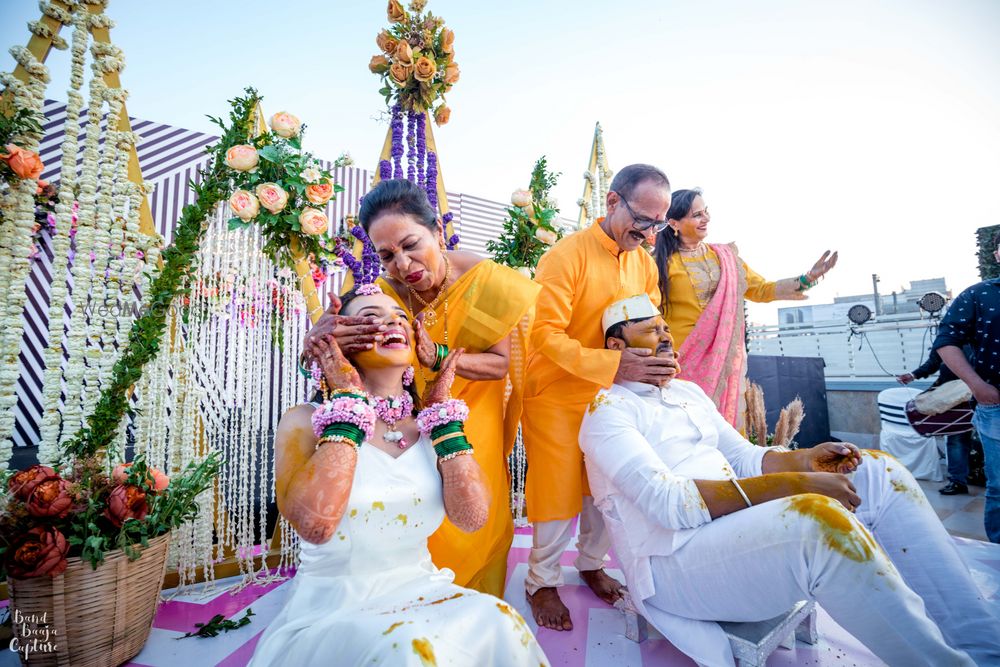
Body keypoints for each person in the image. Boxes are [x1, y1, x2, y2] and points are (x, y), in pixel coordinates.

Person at [578, 294, 1000, 667]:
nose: (666, 336)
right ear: (617, 346)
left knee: (877, 470)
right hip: (673, 567)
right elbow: (669, 504)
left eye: (666, 326)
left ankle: (983, 648)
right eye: (652, 330)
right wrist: (798, 485)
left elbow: (744, 457)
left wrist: (805, 460)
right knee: (816, 522)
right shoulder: (606, 412)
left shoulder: (689, 394)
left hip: (735, 533)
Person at [251, 282, 549, 667]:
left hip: (422, 588)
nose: (391, 323)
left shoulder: (432, 423)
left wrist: (443, 422)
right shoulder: (306, 421)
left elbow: (472, 518)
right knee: (408, 648)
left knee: (501, 620)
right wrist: (349, 402)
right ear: (340, 339)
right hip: (337, 604)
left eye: (399, 317)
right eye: (370, 319)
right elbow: (316, 526)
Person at [302, 179, 540, 597]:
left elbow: (501, 364)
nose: (403, 264)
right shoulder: (386, 292)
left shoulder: (486, 281)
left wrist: (440, 357)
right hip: (405, 416)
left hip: (471, 411)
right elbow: (335, 349)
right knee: (412, 509)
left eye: (412, 244)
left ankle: (469, 609)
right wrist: (321, 338)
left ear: (438, 232)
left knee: (471, 510)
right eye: (387, 255)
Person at [521, 164, 676, 630]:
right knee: (558, 490)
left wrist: (663, 356)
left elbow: (650, 325)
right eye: (643, 220)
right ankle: (541, 581)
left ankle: (591, 564)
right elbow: (544, 335)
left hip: (614, 396)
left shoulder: (644, 264)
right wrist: (614, 364)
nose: (649, 234)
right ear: (612, 202)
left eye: (658, 224)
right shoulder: (565, 257)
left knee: (606, 488)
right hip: (556, 392)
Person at [653, 188, 838, 427]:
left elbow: (761, 289)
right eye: (697, 214)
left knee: (725, 426)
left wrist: (808, 278)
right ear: (674, 223)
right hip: (681, 360)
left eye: (706, 211)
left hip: (724, 358)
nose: (706, 218)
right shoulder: (656, 262)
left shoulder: (726, 257)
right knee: (685, 425)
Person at [934, 233, 1000, 543]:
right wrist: (978, 386)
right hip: (995, 404)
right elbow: (946, 343)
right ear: (997, 254)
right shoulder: (979, 295)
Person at [897, 344, 981, 495]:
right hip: (953, 399)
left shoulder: (984, 329)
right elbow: (933, 362)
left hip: (986, 393)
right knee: (957, 441)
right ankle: (958, 482)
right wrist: (913, 375)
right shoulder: (948, 335)